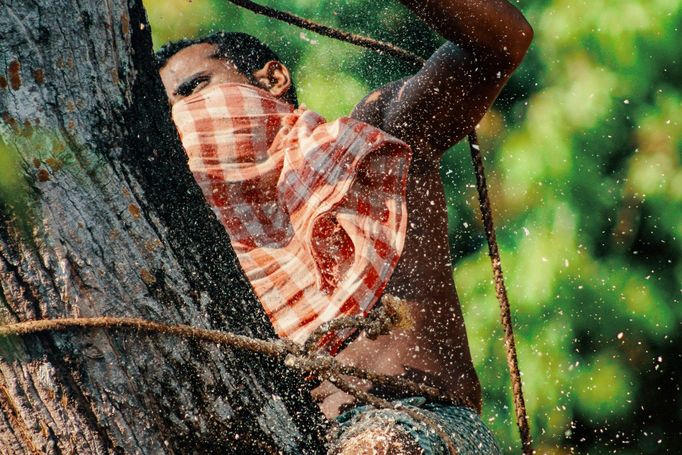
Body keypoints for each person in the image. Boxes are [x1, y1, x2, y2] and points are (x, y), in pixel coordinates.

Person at [157, 1, 532, 452]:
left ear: (272, 80)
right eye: (166, 114)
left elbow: (499, 44)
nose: (181, 118)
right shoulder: (191, 256)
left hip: (428, 429)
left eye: (193, 89)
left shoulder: (374, 142)